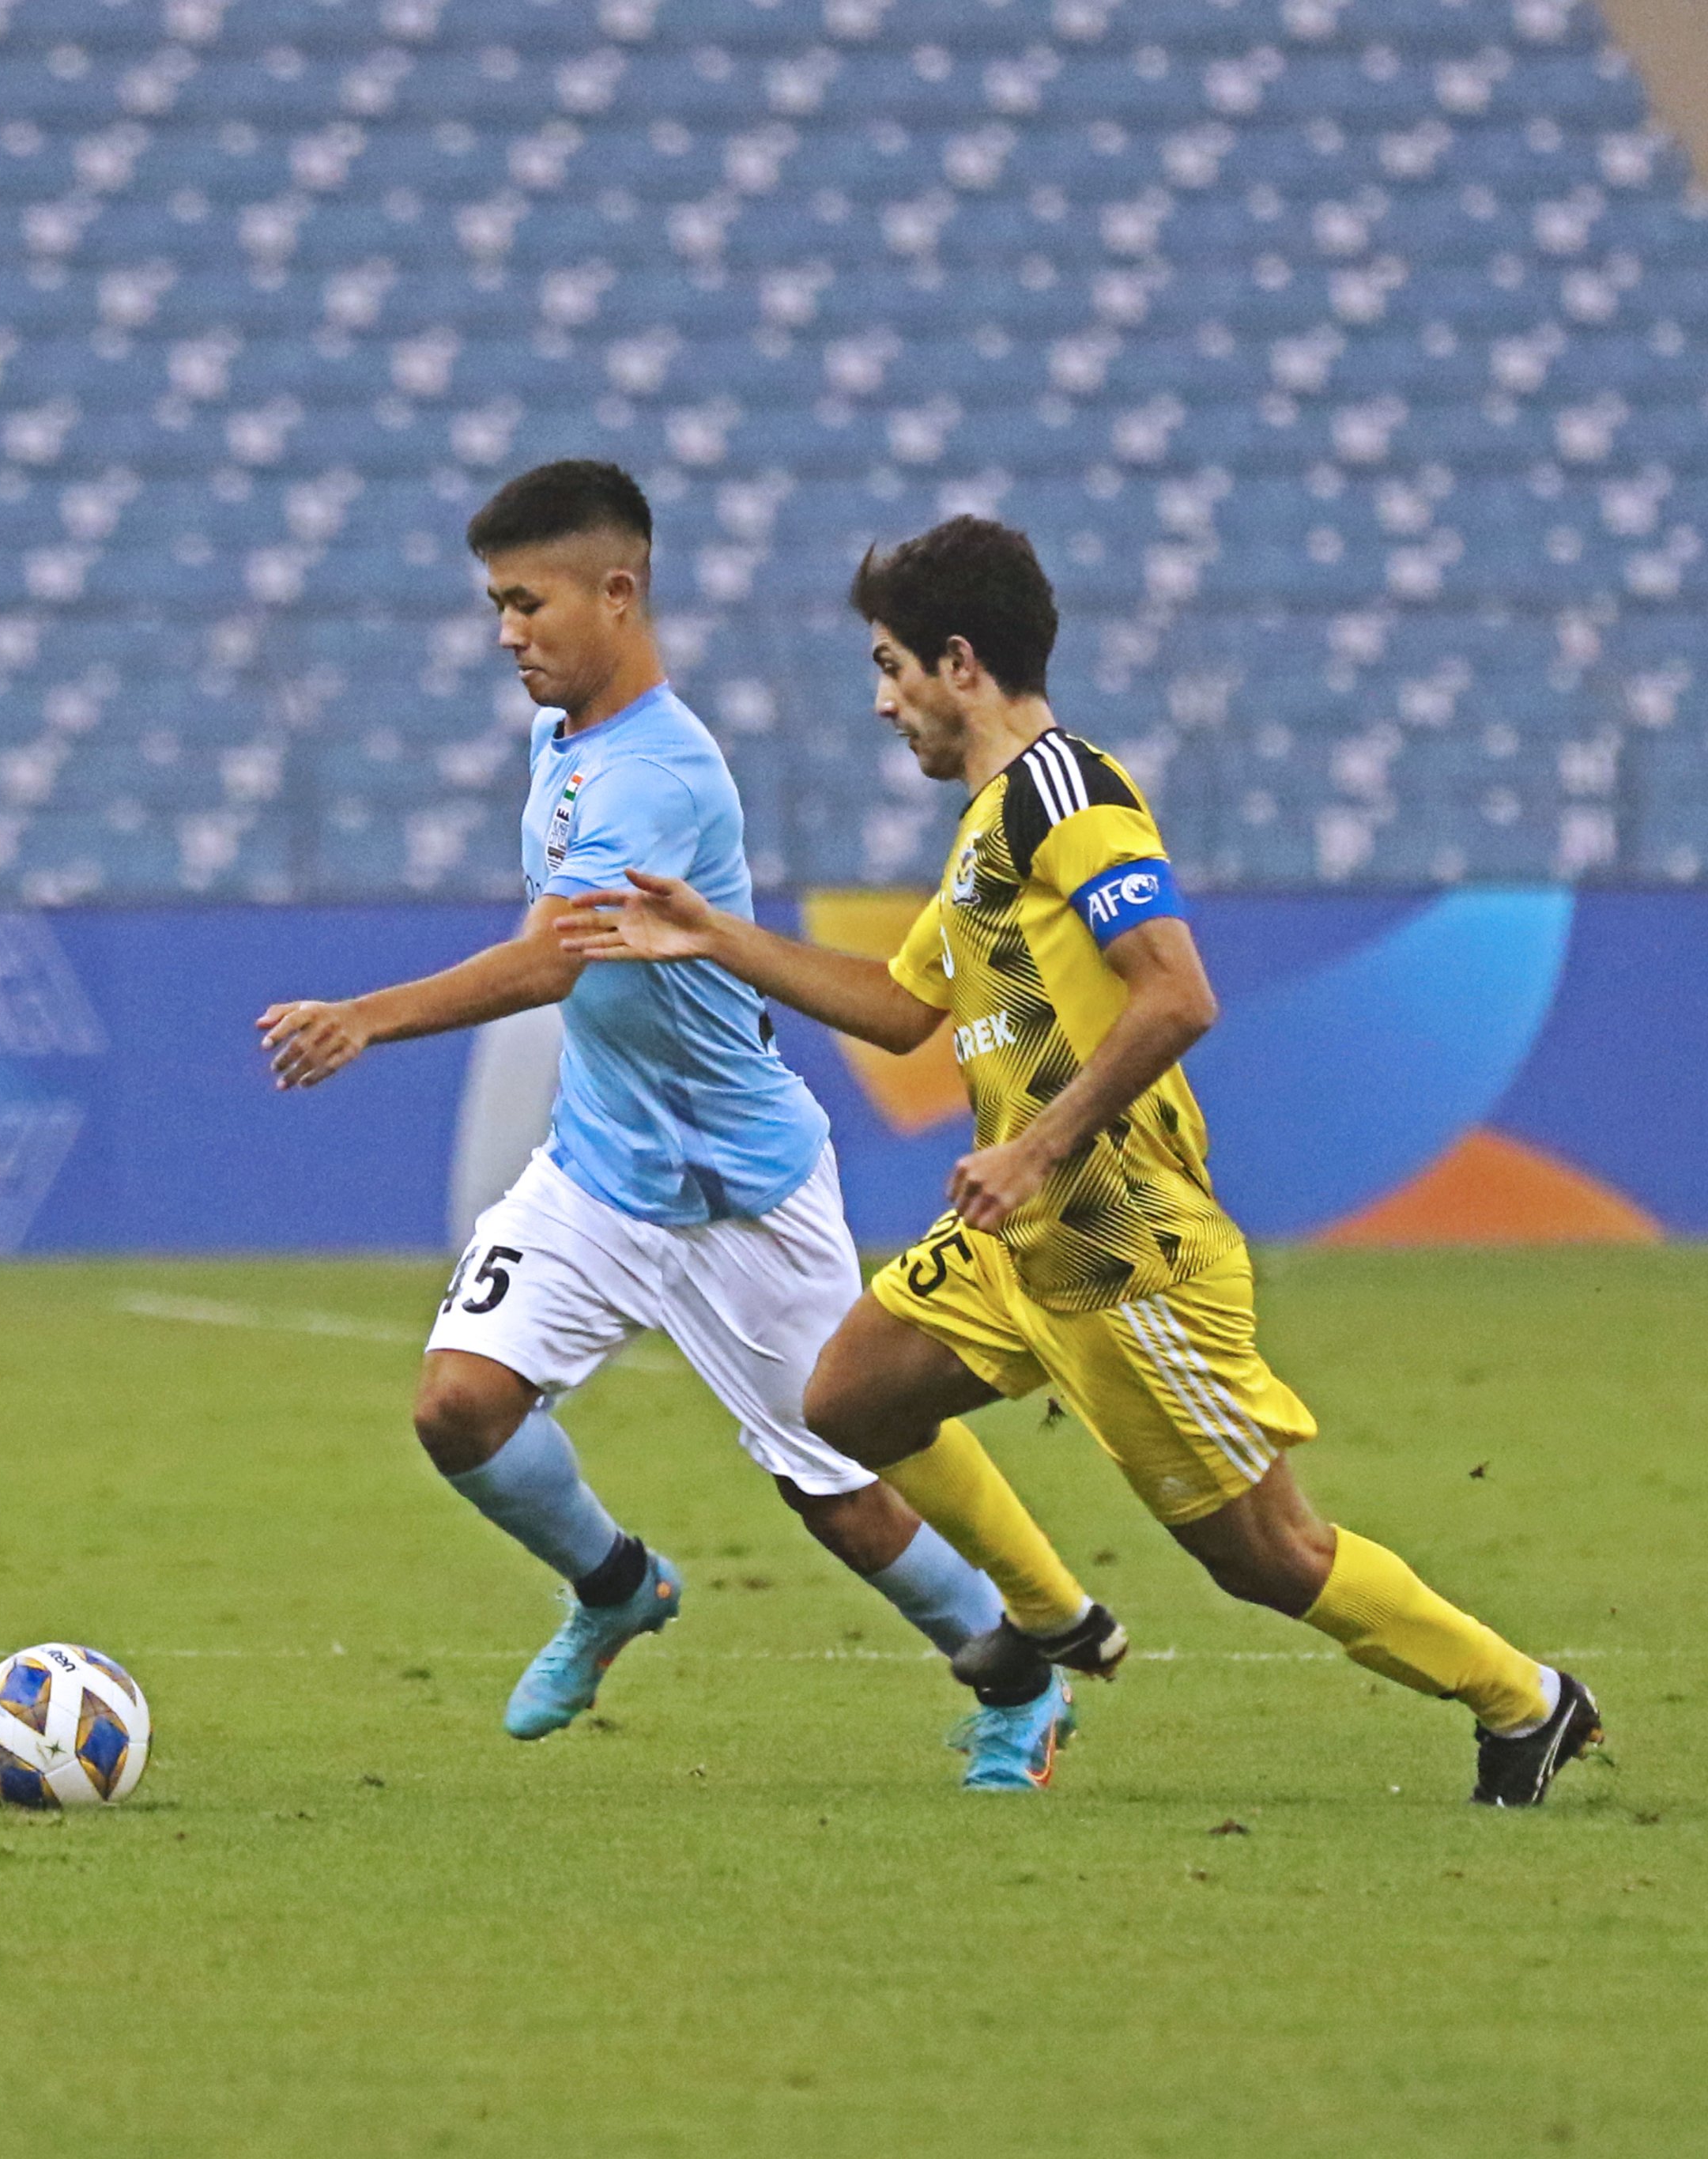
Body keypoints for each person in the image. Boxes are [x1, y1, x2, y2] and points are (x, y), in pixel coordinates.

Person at [559, 515, 1604, 1806]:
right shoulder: (990, 824)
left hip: (1122, 1246)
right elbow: (902, 1009)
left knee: (1268, 1556)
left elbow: (1178, 993)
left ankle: (1524, 1699)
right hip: (1023, 1243)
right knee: (848, 1400)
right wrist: (716, 935)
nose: (882, 703)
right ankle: (1047, 1620)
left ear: (959, 663)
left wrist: (1035, 1146)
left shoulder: (1071, 797)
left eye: (890, 668)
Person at [258, 462, 1124, 1790]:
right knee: (458, 1407)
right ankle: (616, 1588)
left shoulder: (661, 772)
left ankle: (1018, 1686)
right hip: (602, 1169)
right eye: (497, 607)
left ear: (618, 594)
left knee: (837, 1493)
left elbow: (555, 959)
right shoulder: (562, 742)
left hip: (739, 1191)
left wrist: (366, 1018)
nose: (508, 634)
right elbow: (562, 941)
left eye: (528, 603)